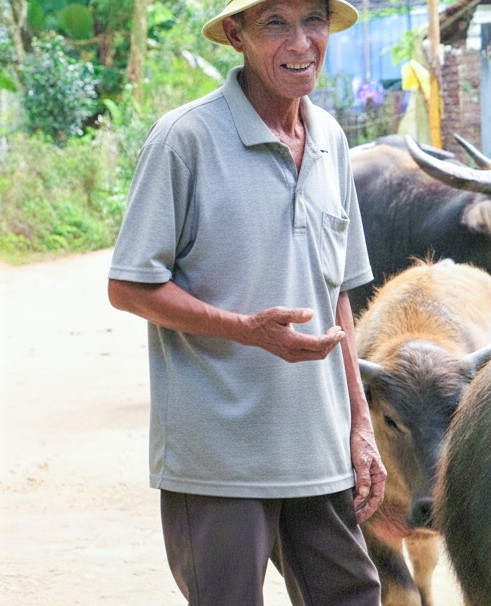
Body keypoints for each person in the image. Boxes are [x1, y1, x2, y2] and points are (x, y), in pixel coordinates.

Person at [106, 0, 385, 603]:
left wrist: (360, 426)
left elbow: (336, 289)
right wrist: (245, 329)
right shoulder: (186, 138)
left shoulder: (333, 140)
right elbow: (128, 286)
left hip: (318, 450)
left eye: (313, 20)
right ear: (236, 34)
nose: (301, 42)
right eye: (274, 24)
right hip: (218, 458)